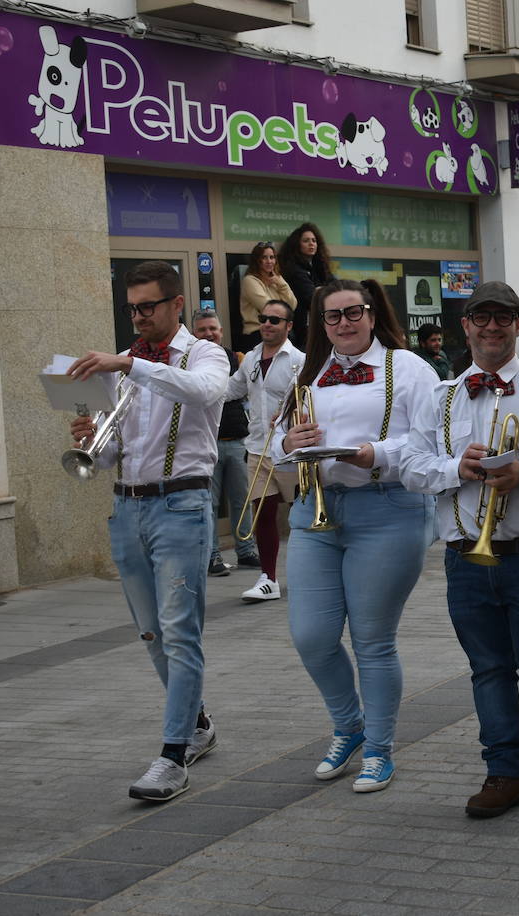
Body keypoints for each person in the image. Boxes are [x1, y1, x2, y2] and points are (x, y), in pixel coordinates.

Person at [402, 280, 519, 817]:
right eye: (481, 318)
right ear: (465, 326)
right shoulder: (437, 398)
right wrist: (453, 468)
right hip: (465, 556)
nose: (492, 327)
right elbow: (410, 467)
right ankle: (505, 772)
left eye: (502, 318)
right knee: (488, 667)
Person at [66, 260, 229, 801]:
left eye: (148, 307)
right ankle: (198, 724)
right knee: (152, 632)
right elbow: (117, 454)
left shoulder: (204, 352)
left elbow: (204, 392)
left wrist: (130, 365)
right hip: (127, 510)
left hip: (181, 505)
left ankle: (172, 756)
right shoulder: (124, 364)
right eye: (131, 308)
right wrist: (93, 436)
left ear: (176, 304)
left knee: (181, 630)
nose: (137, 317)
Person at [273, 279, 439, 793]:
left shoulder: (408, 368)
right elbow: (276, 450)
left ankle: (380, 750)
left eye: (353, 313)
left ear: (372, 314)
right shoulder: (310, 373)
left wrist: (377, 453)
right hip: (315, 513)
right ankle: (350, 726)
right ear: (320, 324)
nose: (343, 324)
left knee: (372, 641)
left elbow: (430, 438)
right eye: (332, 317)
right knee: (312, 637)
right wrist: (287, 439)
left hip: (386, 509)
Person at [223, 299, 304, 602]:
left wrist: (290, 414)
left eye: (275, 319)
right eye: (264, 318)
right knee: (263, 514)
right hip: (257, 448)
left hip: (290, 450)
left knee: (301, 516)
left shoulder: (299, 360)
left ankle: (303, 572)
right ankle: (268, 578)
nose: (267, 324)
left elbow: (308, 400)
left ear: (288, 326)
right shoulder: (252, 358)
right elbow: (232, 390)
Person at [193, 310, 260, 578]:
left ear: (221, 331)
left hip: (238, 443)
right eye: (202, 330)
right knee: (207, 504)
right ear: (194, 334)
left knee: (242, 501)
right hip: (205, 444)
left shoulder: (238, 359)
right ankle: (212, 556)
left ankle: (246, 551)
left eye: (213, 328)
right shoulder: (191, 363)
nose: (209, 334)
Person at [278, 222, 335, 346]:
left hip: (321, 325)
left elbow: (337, 288)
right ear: (297, 245)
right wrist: (323, 291)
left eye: (314, 240)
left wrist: (321, 290)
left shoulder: (319, 267)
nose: (311, 244)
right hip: (303, 328)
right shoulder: (294, 269)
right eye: (306, 240)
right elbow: (311, 297)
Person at [239, 241, 297, 352]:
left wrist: (281, 284)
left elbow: (293, 305)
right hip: (257, 334)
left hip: (280, 332)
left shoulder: (277, 279)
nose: (269, 261)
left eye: (272, 257)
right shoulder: (250, 281)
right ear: (257, 260)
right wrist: (284, 308)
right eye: (264, 257)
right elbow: (268, 308)